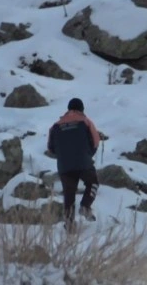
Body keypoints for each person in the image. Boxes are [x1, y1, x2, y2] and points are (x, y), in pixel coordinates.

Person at [47, 98, 101, 230]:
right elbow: (96, 141)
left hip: (64, 166)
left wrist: (63, 156)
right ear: (82, 109)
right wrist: (88, 154)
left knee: (69, 195)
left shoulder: (55, 126)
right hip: (83, 162)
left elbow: (50, 148)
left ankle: (69, 224)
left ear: (68, 109)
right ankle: (85, 206)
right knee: (93, 183)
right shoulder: (85, 122)